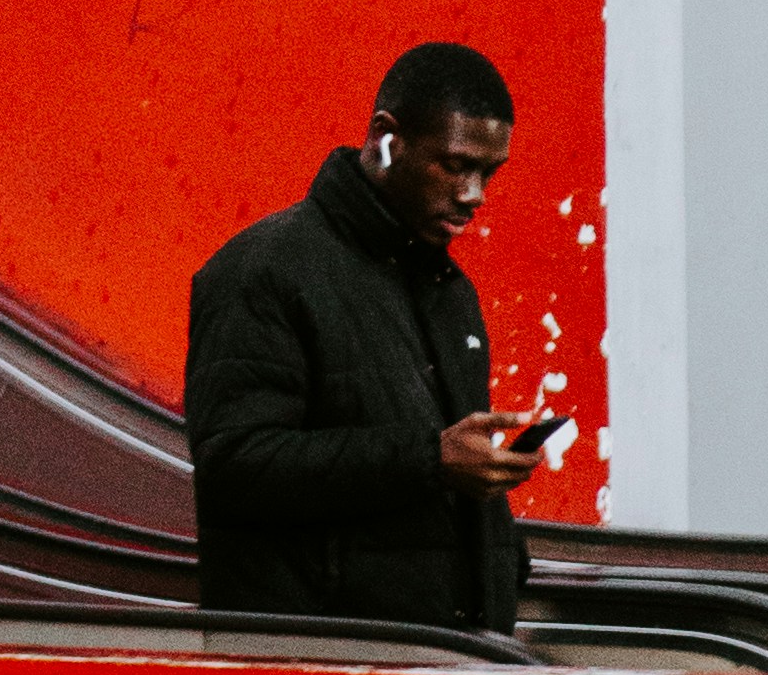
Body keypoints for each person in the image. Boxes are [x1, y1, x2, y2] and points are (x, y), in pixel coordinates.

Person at [182, 44, 556, 637]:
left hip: (446, 665)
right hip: (313, 674)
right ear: (386, 140)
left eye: (489, 173)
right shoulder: (261, 271)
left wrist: (498, 554)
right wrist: (430, 459)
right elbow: (234, 470)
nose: (474, 195)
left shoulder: (448, 289)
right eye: (455, 165)